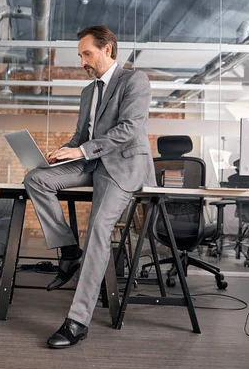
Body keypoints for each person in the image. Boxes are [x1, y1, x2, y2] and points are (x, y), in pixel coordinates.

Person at [23, 25, 156, 348]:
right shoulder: (88, 92)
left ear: (107, 49)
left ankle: (78, 321)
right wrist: (61, 153)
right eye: (80, 55)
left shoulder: (134, 81)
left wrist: (81, 151)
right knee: (36, 178)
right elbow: (82, 136)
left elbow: (129, 129)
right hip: (92, 161)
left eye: (87, 53)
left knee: (97, 228)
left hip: (122, 166)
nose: (82, 60)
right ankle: (69, 251)